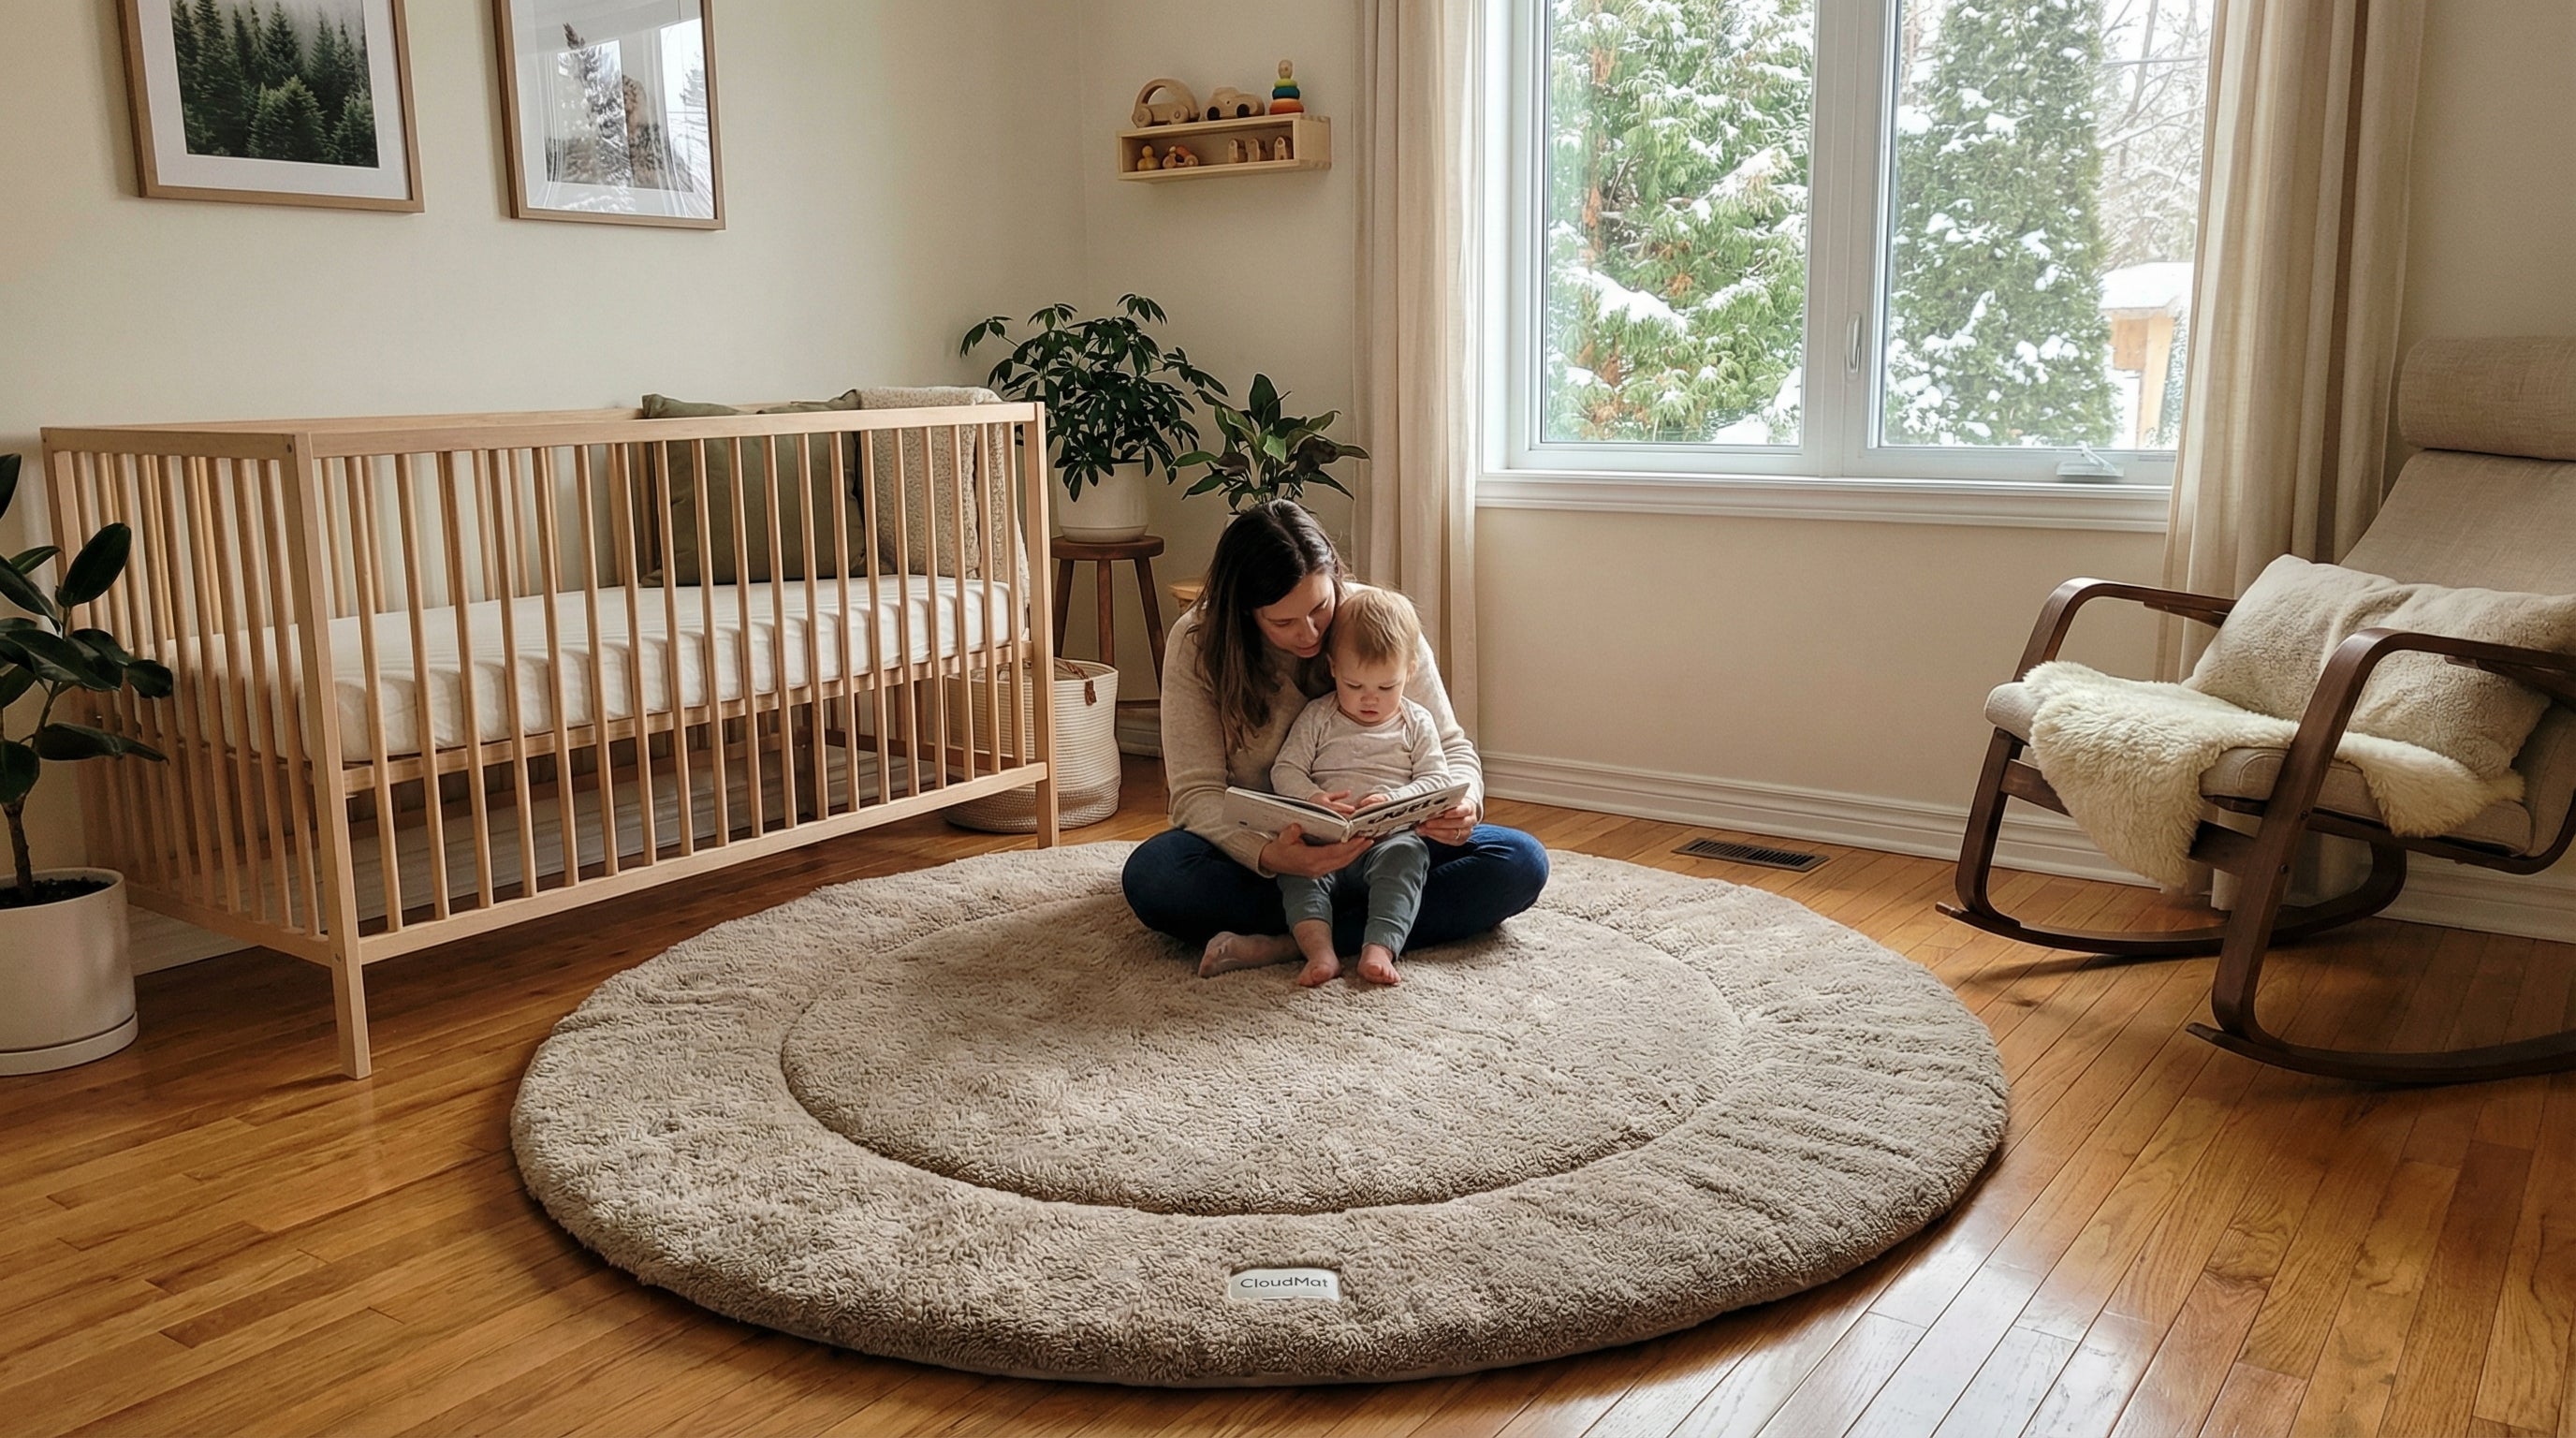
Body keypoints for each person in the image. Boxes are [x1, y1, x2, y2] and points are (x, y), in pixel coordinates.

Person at [1122, 501, 1547, 976]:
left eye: (1320, 608)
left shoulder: (1379, 622)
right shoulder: (1198, 644)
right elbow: (1195, 794)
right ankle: (1362, 926)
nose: (1309, 634)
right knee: (1154, 877)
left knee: (1520, 861)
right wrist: (1271, 854)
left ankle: (1294, 942)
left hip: (1393, 847)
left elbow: (1451, 748)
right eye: (1282, 622)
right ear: (1243, 612)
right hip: (1273, 858)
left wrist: (1464, 807)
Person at [1255, 587, 1455, 987]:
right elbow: (1286, 769)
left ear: (1409, 671)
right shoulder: (1318, 716)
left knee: (1409, 857)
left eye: (1386, 688)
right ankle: (1320, 952)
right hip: (1321, 842)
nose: (1369, 700)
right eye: (1354, 685)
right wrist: (1313, 798)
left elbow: (1438, 780)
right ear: (1331, 668)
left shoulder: (1416, 722)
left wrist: (1395, 800)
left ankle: (1379, 947)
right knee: (1295, 877)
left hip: (1388, 840)